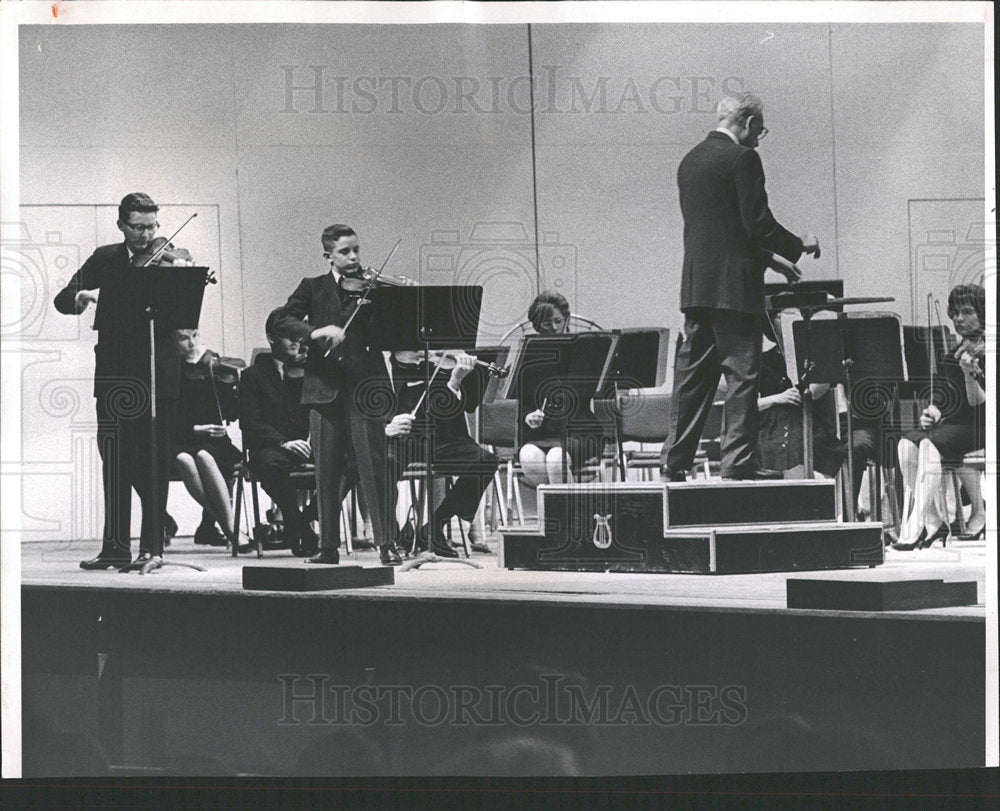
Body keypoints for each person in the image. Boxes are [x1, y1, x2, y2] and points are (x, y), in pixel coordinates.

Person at [660, 92, 821, 482]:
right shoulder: (743, 158)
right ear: (747, 122)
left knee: (693, 380)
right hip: (734, 291)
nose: (759, 138)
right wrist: (799, 246)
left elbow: (724, 231)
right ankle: (737, 464)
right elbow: (758, 224)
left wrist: (772, 261)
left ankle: (673, 462)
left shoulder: (691, 161)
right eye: (760, 130)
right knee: (742, 378)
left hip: (698, 290)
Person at [53, 192, 194, 569]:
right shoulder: (105, 258)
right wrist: (80, 296)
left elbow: (184, 309)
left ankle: (154, 548)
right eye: (138, 226)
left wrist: (180, 274)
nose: (147, 234)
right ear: (121, 225)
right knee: (114, 458)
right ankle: (115, 547)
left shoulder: (171, 260)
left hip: (158, 374)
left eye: (152, 226)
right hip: (116, 374)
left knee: (155, 459)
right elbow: (63, 297)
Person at [274, 224, 403, 566]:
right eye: (345, 251)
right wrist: (316, 331)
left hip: (365, 388)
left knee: (373, 466)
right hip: (324, 388)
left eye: (357, 250)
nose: (354, 257)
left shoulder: (373, 288)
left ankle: (386, 543)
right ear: (328, 255)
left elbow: (393, 331)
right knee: (326, 471)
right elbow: (280, 320)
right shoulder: (312, 287)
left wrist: (395, 300)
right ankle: (327, 546)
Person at [892, 284, 986, 549]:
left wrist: (969, 375)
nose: (959, 318)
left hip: (984, 425)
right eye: (955, 312)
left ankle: (914, 526)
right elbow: (943, 400)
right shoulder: (952, 355)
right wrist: (931, 413)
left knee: (929, 444)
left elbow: (978, 403)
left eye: (967, 312)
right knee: (906, 444)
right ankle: (935, 522)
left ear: (983, 314)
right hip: (957, 427)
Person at [385, 349, 500, 557]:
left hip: (446, 438)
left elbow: (467, 405)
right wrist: (387, 425)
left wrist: (455, 380)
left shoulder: (450, 359)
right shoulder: (388, 362)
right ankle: (392, 534)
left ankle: (433, 528)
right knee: (382, 463)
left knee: (485, 461)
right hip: (403, 438)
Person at [237, 309, 318, 555]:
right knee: (267, 465)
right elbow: (250, 422)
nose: (297, 340)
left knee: (353, 463)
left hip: (310, 445)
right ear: (271, 338)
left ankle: (304, 519)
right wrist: (284, 442)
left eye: (300, 335)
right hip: (275, 448)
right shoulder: (252, 376)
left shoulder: (313, 371)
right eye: (288, 335)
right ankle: (299, 524)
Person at [517, 291, 602, 486]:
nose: (554, 328)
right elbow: (524, 403)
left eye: (558, 321)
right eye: (547, 324)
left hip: (579, 430)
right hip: (542, 432)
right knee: (528, 455)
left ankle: (561, 515)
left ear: (567, 318)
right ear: (537, 326)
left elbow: (600, 391)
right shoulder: (529, 354)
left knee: (556, 458)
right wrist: (528, 416)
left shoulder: (584, 349)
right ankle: (562, 514)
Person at [171, 328, 243, 547]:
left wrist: (232, 387)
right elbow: (169, 420)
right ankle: (232, 526)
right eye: (183, 338)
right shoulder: (170, 371)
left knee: (204, 455)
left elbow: (231, 414)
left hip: (214, 443)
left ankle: (227, 527)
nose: (192, 343)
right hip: (182, 439)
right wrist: (196, 429)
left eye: (195, 336)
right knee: (185, 459)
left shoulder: (213, 366)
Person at [756, 326, 846, 479]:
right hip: (769, 425)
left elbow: (815, 392)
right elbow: (744, 405)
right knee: (780, 445)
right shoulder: (760, 358)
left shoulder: (813, 354)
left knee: (798, 443)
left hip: (807, 420)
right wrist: (778, 398)